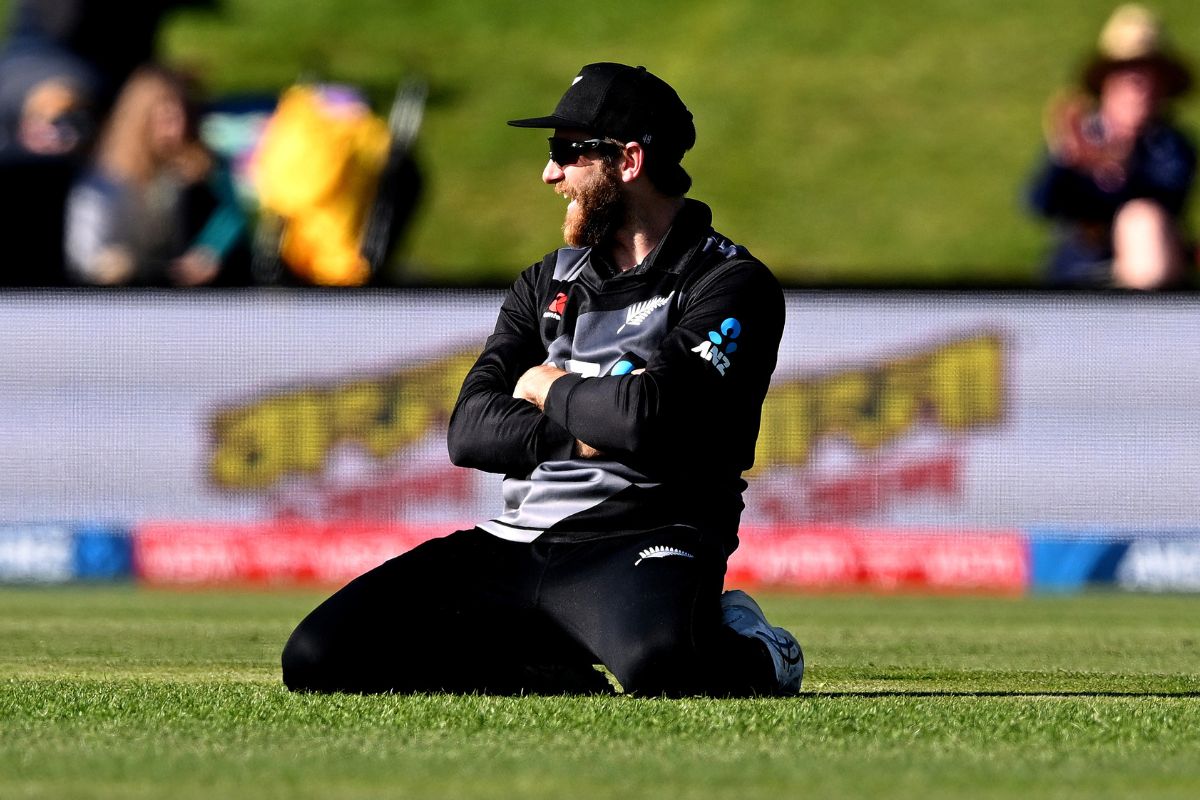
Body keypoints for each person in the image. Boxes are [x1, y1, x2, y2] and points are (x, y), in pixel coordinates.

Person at [281, 63, 803, 697]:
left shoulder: (729, 282)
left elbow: (646, 416)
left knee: (661, 668)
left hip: (643, 534)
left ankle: (762, 651)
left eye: (565, 153)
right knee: (315, 657)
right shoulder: (546, 281)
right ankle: (540, 668)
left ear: (630, 161)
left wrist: (545, 386)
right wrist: (583, 433)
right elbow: (469, 430)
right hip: (513, 542)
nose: (549, 174)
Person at [1027, 4, 1196, 289]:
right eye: (1129, 78)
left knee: (1143, 221)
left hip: (1154, 270)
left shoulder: (1171, 145)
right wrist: (1066, 158)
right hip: (1080, 271)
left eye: (1149, 79)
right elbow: (1040, 204)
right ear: (1107, 84)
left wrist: (1116, 161)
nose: (1139, 90)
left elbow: (1166, 195)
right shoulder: (1081, 136)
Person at [63, 65, 249, 286]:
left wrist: (209, 251)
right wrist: (117, 265)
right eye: (167, 119)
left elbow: (233, 214)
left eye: (185, 117)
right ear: (140, 121)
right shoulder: (102, 187)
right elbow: (88, 260)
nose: (178, 130)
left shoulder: (194, 175)